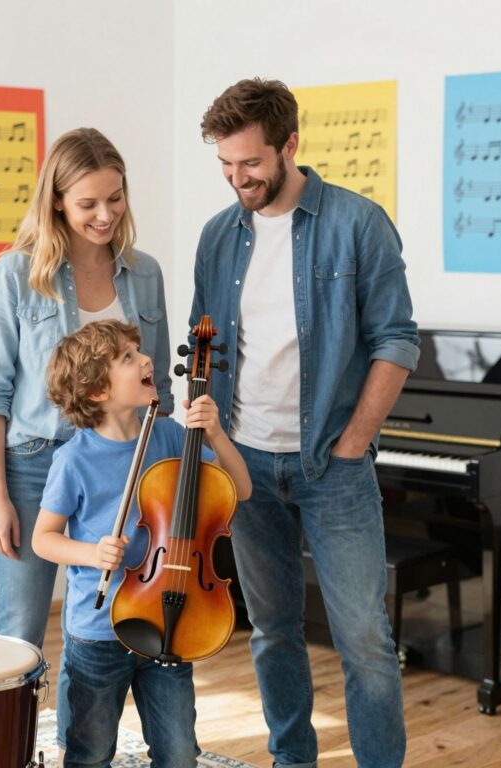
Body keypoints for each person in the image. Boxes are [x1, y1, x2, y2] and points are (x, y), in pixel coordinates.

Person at [191, 78, 420, 768]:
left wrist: (353, 443)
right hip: (246, 465)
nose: (239, 179)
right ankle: (294, 759)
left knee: (365, 640)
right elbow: (205, 338)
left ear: (290, 145)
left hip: (333, 467)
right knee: (271, 631)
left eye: (251, 163)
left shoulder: (357, 223)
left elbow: (397, 340)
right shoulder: (218, 236)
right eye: (227, 166)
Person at [0, 128, 174, 748]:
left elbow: (151, 381)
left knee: (108, 623)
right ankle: (7, 753)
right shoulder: (14, 275)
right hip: (33, 465)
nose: (105, 215)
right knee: (20, 630)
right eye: (88, 204)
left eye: (115, 198)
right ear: (56, 200)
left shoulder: (145, 275)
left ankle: (83, 748)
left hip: (120, 463)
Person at [32, 320, 251, 768]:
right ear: (97, 392)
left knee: (178, 754)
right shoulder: (74, 460)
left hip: (171, 613)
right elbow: (44, 539)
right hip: (98, 629)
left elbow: (241, 489)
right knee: (89, 752)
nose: (145, 359)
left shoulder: (171, 436)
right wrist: (92, 553)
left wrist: (213, 433)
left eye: (138, 349)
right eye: (128, 357)